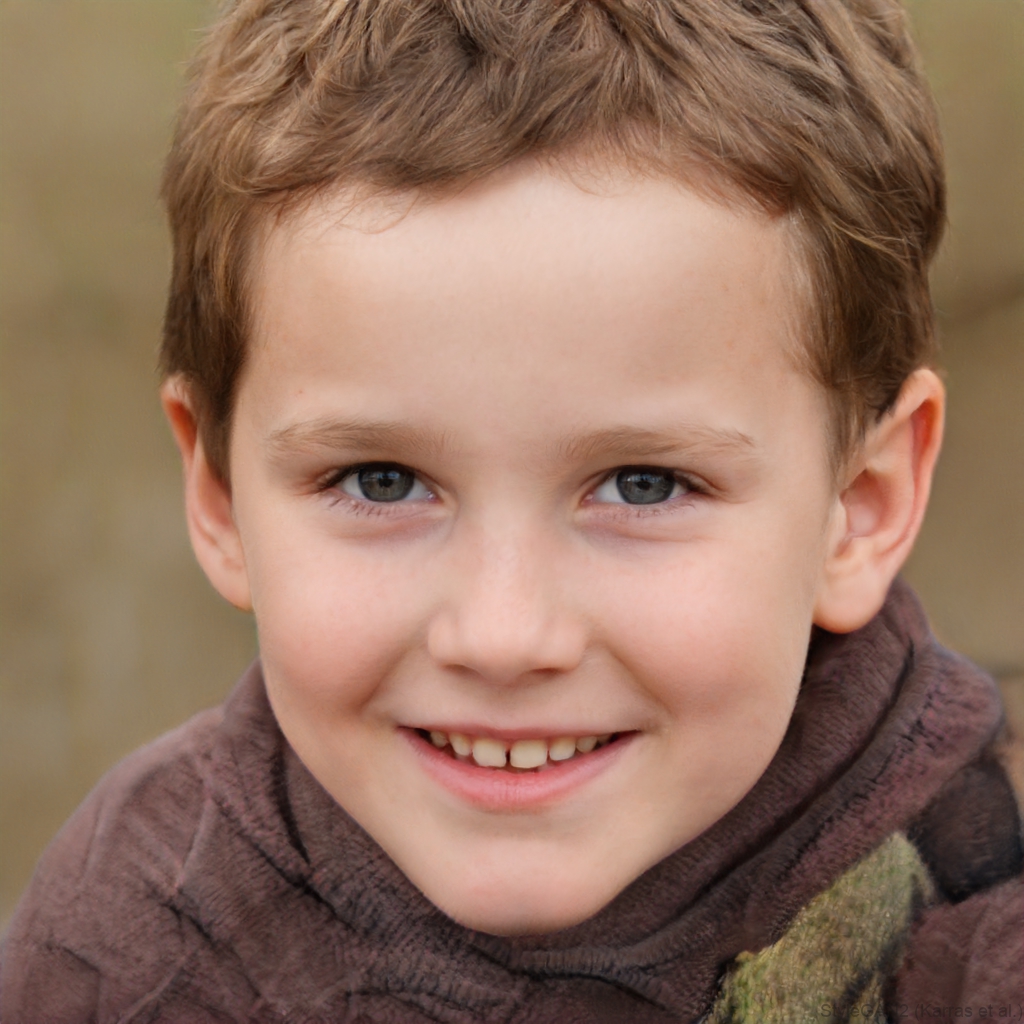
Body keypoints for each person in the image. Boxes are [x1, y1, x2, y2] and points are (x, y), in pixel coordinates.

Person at [2, 0, 1021, 1020]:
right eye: (381, 480)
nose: (502, 636)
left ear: (861, 505)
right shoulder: (133, 941)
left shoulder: (982, 930)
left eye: (643, 484)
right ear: (219, 494)